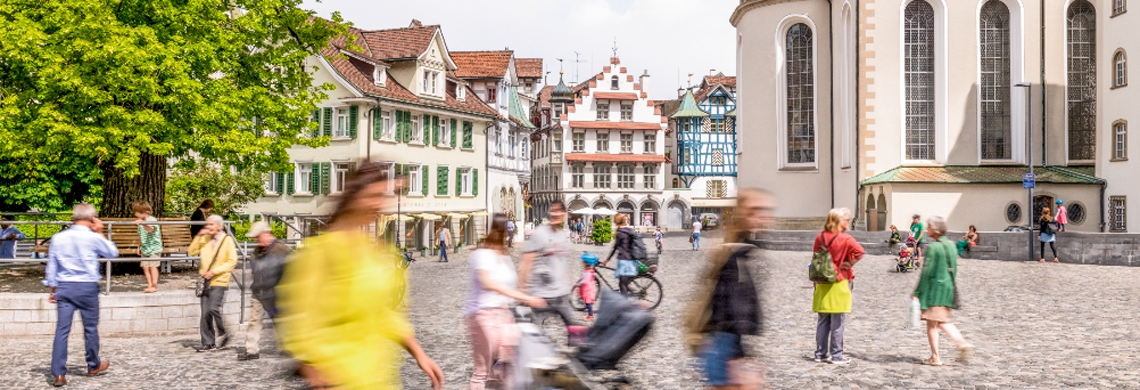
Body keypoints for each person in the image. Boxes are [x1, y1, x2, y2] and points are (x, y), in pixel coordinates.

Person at [277, 162, 444, 389]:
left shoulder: (371, 249)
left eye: (384, 195)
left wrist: (418, 353)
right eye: (373, 196)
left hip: (376, 379)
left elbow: (381, 311)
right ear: (353, 197)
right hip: (339, 379)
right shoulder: (319, 250)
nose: (379, 204)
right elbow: (298, 320)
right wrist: (313, 369)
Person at [687, 189, 770, 389]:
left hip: (726, 341)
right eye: (755, 211)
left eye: (765, 210)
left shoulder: (742, 247)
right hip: (723, 342)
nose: (763, 216)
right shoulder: (734, 251)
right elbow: (728, 303)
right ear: (741, 213)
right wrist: (737, 357)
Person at [466, 213, 546, 390]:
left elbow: (509, 286)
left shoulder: (505, 257)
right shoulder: (481, 254)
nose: (509, 233)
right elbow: (488, 283)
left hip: (504, 316)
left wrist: (521, 298)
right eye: (506, 229)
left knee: (510, 364)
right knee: (482, 370)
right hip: (482, 316)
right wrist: (525, 297)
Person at [43, 204, 117, 387]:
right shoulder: (92, 237)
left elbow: (52, 266)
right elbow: (112, 253)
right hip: (87, 287)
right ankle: (93, 364)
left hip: (65, 287)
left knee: (62, 331)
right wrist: (100, 231)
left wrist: (52, 290)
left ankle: (59, 373)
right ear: (92, 218)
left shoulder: (58, 238)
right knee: (90, 328)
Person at [519, 200, 587, 343]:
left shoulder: (563, 235)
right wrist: (523, 293)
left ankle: (572, 361)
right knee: (534, 336)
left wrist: (567, 282)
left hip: (560, 294)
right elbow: (526, 262)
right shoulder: (540, 233)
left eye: (559, 211)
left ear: (565, 214)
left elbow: (562, 262)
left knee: (575, 333)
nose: (556, 214)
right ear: (550, 212)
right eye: (553, 211)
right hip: (541, 295)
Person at [912, 216, 974, 366]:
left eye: (929, 227)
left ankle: (936, 356)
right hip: (948, 288)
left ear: (935, 229)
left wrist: (917, 292)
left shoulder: (934, 247)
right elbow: (955, 267)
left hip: (934, 290)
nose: (927, 230)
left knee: (932, 324)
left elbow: (926, 273)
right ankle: (960, 343)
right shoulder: (951, 245)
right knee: (941, 321)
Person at [812, 208, 865, 365]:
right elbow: (860, 252)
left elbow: (815, 258)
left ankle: (820, 353)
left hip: (822, 281)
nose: (848, 222)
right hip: (839, 281)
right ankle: (837, 355)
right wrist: (849, 263)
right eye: (847, 220)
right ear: (839, 221)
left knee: (823, 320)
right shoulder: (846, 239)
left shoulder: (820, 236)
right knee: (837, 321)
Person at [240, 221, 291, 361]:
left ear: (266, 233)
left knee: (280, 321)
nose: (256, 240)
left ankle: (287, 347)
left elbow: (290, 272)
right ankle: (251, 351)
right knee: (254, 321)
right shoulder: (257, 251)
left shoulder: (282, 250)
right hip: (259, 292)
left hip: (275, 295)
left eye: (257, 237)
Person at [188, 214, 238, 352]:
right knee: (205, 313)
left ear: (218, 226)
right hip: (205, 281)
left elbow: (232, 261)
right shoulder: (204, 238)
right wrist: (198, 236)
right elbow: (191, 252)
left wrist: (214, 271)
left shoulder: (227, 240)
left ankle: (224, 331)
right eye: (207, 224)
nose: (208, 227)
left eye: (211, 225)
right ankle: (208, 343)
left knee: (212, 308)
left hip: (219, 280)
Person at [601, 213, 638, 296]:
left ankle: (625, 306)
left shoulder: (620, 233)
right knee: (624, 283)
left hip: (624, 260)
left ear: (616, 222)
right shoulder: (630, 230)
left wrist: (607, 259)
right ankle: (629, 294)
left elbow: (615, 248)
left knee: (622, 285)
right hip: (632, 260)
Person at [133, 201, 163, 293]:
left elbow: (150, 229)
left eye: (137, 212)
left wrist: (143, 223)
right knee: (145, 266)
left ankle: (154, 285)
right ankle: (149, 284)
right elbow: (141, 235)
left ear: (144, 211)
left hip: (154, 247)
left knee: (152, 266)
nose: (135, 214)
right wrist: (139, 246)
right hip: (145, 247)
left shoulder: (152, 220)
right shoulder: (140, 223)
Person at [577, 253, 599, 321]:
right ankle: (590, 315)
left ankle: (590, 316)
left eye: (583, 261)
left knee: (588, 303)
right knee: (588, 303)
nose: (582, 262)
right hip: (589, 288)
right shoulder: (590, 271)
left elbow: (585, 280)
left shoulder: (587, 272)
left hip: (587, 289)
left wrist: (578, 283)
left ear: (586, 263)